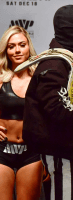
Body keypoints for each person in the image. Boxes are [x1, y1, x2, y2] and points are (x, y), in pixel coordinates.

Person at [22, 5, 73, 200]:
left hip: (68, 154)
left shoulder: (66, 61)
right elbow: (56, 109)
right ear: (72, 31)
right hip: (62, 155)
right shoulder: (54, 64)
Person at [0, 25, 43, 200]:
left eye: (22, 45)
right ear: (6, 51)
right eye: (11, 46)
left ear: (29, 47)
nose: (17, 50)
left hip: (31, 153)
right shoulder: (1, 79)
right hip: (2, 151)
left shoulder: (40, 79)